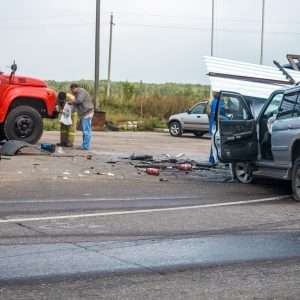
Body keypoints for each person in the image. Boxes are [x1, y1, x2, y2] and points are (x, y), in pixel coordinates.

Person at [67, 83, 94, 150]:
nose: (72, 92)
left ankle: (85, 146)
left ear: (75, 88)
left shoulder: (81, 91)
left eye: (72, 90)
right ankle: (84, 145)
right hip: (84, 114)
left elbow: (79, 100)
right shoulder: (78, 93)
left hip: (87, 113)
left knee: (86, 131)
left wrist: (71, 102)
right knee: (84, 130)